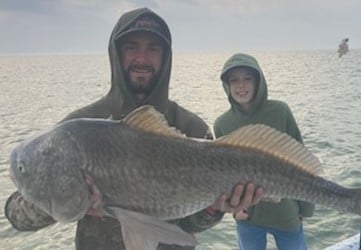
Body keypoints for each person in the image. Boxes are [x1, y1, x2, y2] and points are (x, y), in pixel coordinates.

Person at [4, 8, 263, 250]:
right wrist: (63, 197)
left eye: (153, 48)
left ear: (165, 57)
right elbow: (16, 215)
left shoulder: (190, 127)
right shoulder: (79, 128)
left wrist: (214, 210)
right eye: (131, 47)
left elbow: (191, 224)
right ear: (116, 54)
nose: (142, 58)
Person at [213, 53, 315, 250]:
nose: (240, 86)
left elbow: (302, 158)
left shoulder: (280, 111)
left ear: (258, 81)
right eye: (234, 80)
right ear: (226, 85)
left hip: (285, 212)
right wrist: (234, 211)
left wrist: (305, 209)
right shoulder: (222, 124)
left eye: (247, 78)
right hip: (248, 216)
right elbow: (223, 175)